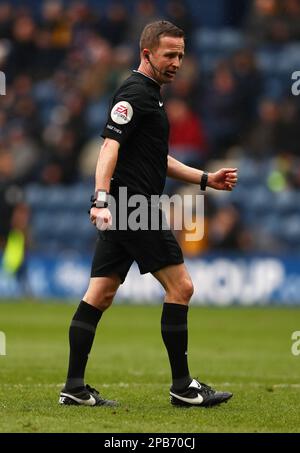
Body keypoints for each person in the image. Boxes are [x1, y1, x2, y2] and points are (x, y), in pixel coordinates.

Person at [59, 21, 238, 408]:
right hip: (133, 206)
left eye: (181, 56)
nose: (177, 63)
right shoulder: (134, 94)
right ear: (147, 55)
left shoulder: (152, 96)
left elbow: (160, 159)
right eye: (169, 55)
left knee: (100, 293)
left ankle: (73, 387)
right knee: (182, 287)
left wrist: (206, 178)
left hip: (126, 206)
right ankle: (183, 386)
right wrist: (102, 198)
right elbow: (109, 147)